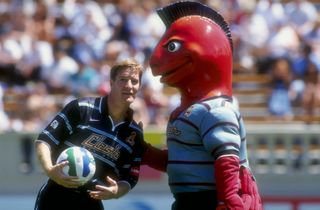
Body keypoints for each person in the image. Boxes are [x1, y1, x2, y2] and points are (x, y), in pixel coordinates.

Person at [142, 1, 262, 210]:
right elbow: (182, 161)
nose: (155, 60)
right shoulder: (188, 111)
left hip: (210, 200)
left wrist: (228, 200)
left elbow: (227, 159)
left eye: (172, 47)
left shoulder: (216, 109)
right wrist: (144, 152)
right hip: (188, 202)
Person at [34, 58, 146, 210]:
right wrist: (49, 169)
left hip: (91, 202)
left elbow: (131, 177)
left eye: (134, 81)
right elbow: (44, 140)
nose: (129, 86)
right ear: (111, 83)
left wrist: (116, 191)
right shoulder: (81, 108)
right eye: (123, 80)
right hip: (55, 196)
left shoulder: (135, 133)